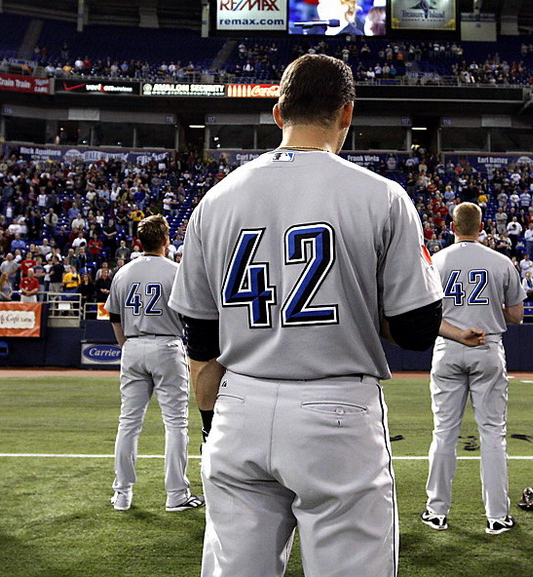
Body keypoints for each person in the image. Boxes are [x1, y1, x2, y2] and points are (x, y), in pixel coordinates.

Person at [169, 54, 481, 577]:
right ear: (347, 115)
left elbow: (200, 341)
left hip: (238, 403)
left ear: (277, 114)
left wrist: (213, 424)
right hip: (336, 408)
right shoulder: (381, 195)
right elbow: (416, 329)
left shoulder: (216, 199)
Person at [422, 202, 525, 535]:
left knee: (443, 432)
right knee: (492, 433)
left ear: (451, 226)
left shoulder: (434, 262)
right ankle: (496, 516)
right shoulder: (500, 262)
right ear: (481, 227)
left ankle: (436, 511)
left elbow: (425, 315)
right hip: (487, 345)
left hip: (449, 345)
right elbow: (516, 315)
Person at [105, 214, 203, 513]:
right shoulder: (176, 271)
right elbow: (193, 316)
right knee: (175, 423)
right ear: (165, 240)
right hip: (167, 344)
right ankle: (176, 494)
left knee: (129, 422)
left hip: (133, 344)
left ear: (139, 241)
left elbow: (114, 318)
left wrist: (128, 348)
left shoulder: (123, 272)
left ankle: (122, 494)